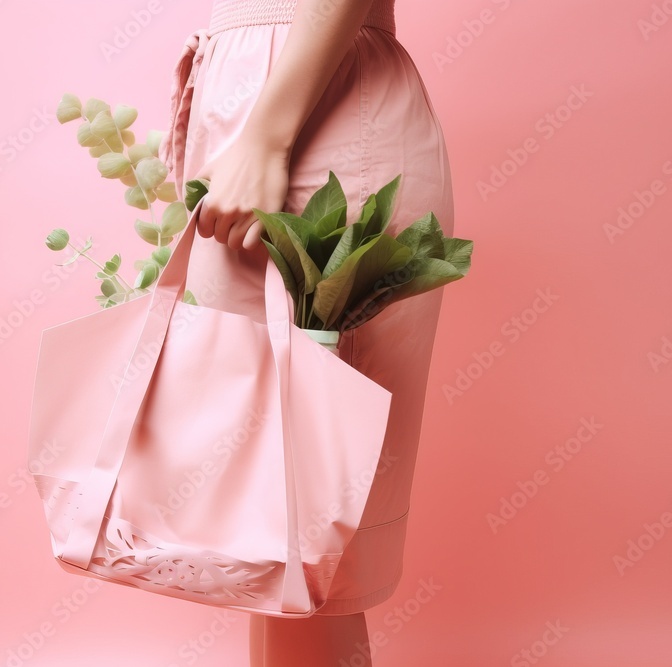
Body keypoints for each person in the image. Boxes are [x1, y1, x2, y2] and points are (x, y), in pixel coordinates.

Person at [158, 1, 455, 664]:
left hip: (309, 116)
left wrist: (265, 136)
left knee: (302, 528)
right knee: (273, 539)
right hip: (265, 110)